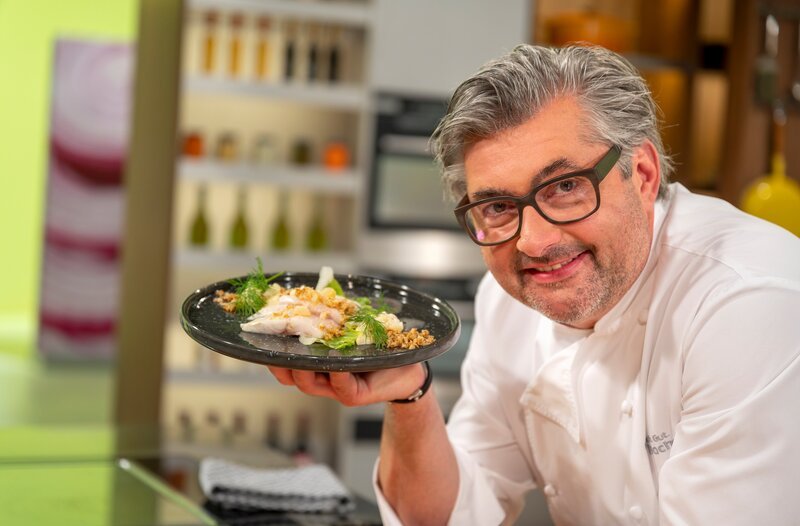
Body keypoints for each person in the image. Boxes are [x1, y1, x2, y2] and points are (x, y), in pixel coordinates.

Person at [267, 44, 800, 525]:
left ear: (641, 174)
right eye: (498, 206)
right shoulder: (506, 300)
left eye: (565, 187)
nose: (534, 243)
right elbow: (449, 516)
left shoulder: (747, 301)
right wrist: (410, 390)